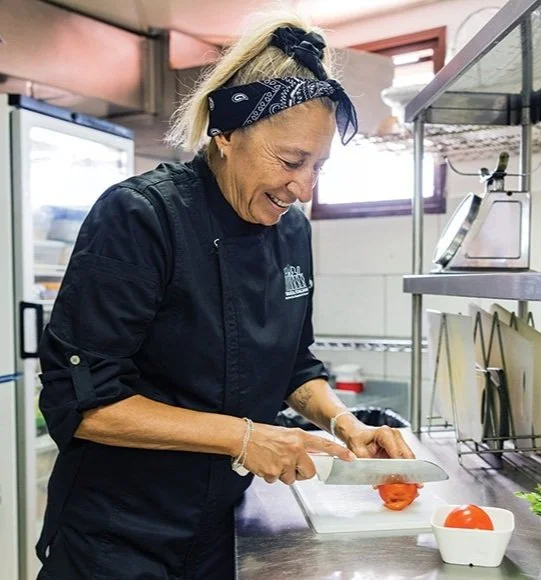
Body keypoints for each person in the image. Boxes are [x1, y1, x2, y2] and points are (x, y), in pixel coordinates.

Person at [36, 11, 415, 580]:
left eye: (319, 166)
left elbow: (295, 365)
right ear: (227, 134)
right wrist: (243, 436)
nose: (304, 189)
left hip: (225, 528)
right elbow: (85, 401)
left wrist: (345, 425)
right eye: (291, 161)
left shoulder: (291, 230)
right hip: (117, 539)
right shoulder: (141, 216)